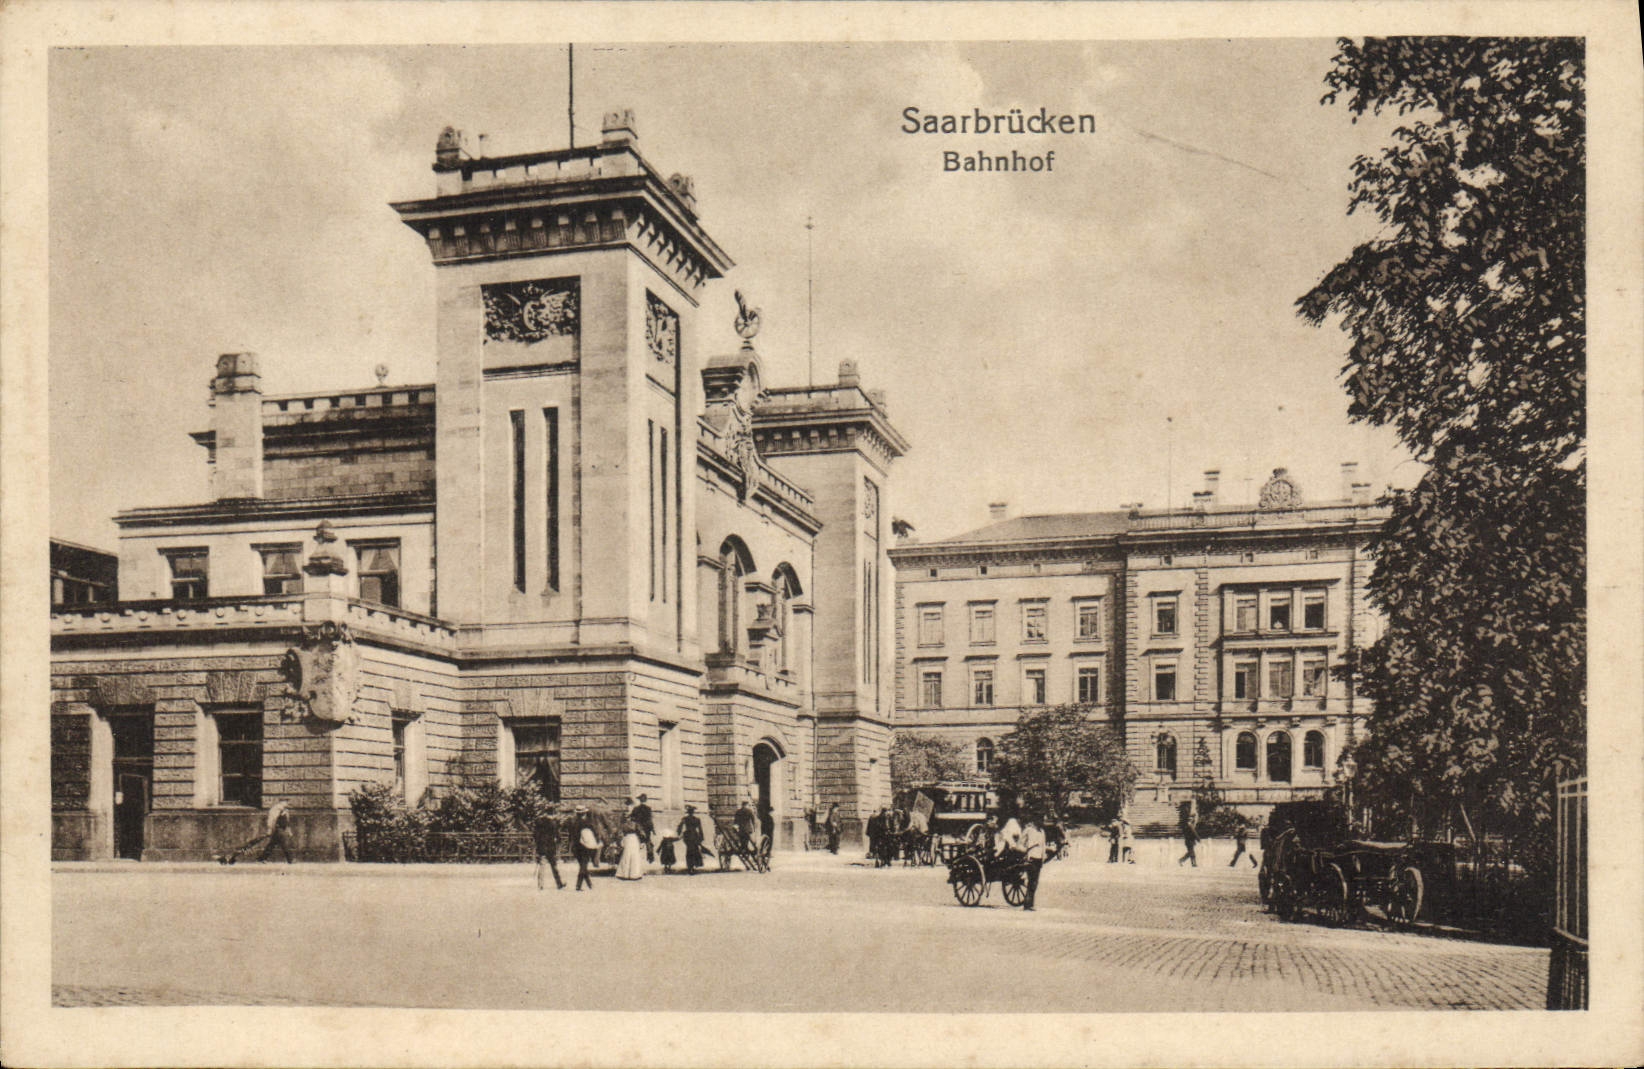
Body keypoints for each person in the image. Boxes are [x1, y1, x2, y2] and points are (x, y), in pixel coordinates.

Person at [532, 806, 565, 890]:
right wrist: (558, 842)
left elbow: (535, 835)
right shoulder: (553, 823)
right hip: (551, 847)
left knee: (542, 866)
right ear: (552, 813)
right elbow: (557, 835)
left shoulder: (539, 822)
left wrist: (537, 844)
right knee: (554, 866)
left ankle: (540, 885)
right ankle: (559, 883)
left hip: (542, 846)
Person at [1019, 815, 1047, 911]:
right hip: (1031, 857)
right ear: (1035, 820)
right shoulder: (1029, 830)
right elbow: (1021, 841)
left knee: (1035, 881)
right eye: (1040, 819)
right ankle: (1027, 904)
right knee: (1031, 880)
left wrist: (1043, 858)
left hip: (1039, 858)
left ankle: (1030, 903)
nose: (1042, 821)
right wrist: (1025, 851)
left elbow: (1043, 846)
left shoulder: (1042, 832)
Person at [573, 805, 600, 890]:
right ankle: (578, 885)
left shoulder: (574, 823)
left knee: (582, 865)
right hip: (586, 846)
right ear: (584, 813)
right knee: (584, 866)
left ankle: (589, 884)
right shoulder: (588, 823)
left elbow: (573, 835)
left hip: (576, 846)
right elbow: (595, 833)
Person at [677, 805, 707, 875]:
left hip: (688, 836)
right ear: (693, 812)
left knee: (690, 851)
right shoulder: (697, 819)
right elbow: (700, 829)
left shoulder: (685, 819)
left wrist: (679, 833)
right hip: (694, 836)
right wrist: (701, 837)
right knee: (694, 851)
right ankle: (693, 866)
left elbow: (680, 827)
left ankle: (690, 867)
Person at [630, 794, 655, 863]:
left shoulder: (636, 808)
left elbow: (632, 818)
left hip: (638, 828)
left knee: (638, 841)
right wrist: (653, 829)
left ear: (640, 800)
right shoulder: (649, 808)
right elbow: (650, 819)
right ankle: (650, 857)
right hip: (647, 828)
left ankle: (637, 858)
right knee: (648, 841)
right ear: (646, 800)